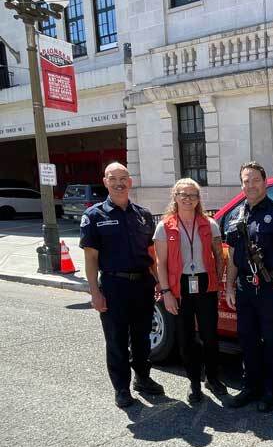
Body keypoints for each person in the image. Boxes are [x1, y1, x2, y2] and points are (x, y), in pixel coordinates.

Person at [80, 162, 165, 408]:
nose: (118, 182)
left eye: (123, 178)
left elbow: (150, 254)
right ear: (105, 182)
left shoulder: (143, 215)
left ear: (130, 181)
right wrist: (94, 292)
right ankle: (121, 388)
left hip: (142, 285)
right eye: (112, 178)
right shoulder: (94, 216)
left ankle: (143, 378)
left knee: (141, 337)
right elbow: (91, 258)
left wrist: (159, 282)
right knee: (116, 340)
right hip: (113, 285)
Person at [224, 162, 273, 412]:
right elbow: (233, 256)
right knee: (247, 340)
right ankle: (250, 387)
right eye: (245, 181)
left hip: (271, 289)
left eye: (255, 180)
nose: (250, 185)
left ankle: (272, 391)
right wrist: (229, 287)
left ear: (265, 182)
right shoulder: (237, 214)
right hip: (245, 288)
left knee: (272, 341)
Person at [154, 178, 228, 404]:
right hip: (180, 287)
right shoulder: (164, 227)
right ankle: (194, 382)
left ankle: (213, 378)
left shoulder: (209, 224)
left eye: (192, 195)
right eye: (183, 195)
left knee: (209, 336)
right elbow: (160, 263)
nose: (188, 199)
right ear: (175, 197)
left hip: (205, 284)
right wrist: (166, 292)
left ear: (198, 200)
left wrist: (217, 282)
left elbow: (219, 256)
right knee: (186, 338)